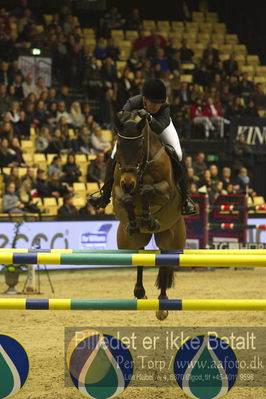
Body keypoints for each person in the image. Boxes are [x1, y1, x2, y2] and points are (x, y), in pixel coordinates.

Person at [89, 78, 198, 216]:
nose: (155, 107)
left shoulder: (164, 108)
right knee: (113, 153)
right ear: (145, 99)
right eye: (153, 103)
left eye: (158, 103)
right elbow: (121, 122)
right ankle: (104, 195)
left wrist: (150, 118)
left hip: (161, 127)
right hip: (135, 133)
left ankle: (185, 198)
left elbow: (159, 129)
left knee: (178, 153)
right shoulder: (132, 103)